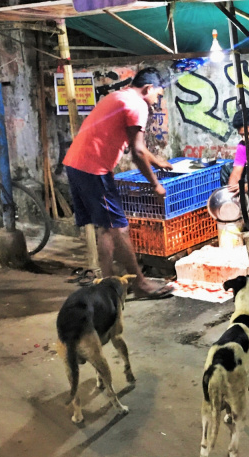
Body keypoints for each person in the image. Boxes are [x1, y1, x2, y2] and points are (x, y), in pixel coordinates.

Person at [63, 67, 175, 298]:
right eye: (158, 95)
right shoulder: (137, 105)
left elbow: (139, 148)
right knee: (120, 227)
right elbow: (136, 150)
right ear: (148, 88)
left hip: (75, 164)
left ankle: (108, 284)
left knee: (106, 228)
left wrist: (156, 162)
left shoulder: (118, 96)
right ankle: (140, 284)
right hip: (93, 169)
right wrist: (155, 184)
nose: (157, 100)